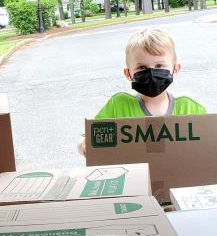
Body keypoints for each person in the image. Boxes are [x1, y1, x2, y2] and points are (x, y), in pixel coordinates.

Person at [78, 27, 206, 156]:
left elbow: (213, 141)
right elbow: (88, 141)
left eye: (159, 66)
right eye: (142, 67)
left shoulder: (190, 108)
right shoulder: (117, 105)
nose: (151, 73)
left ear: (175, 69)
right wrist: (84, 145)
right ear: (128, 73)